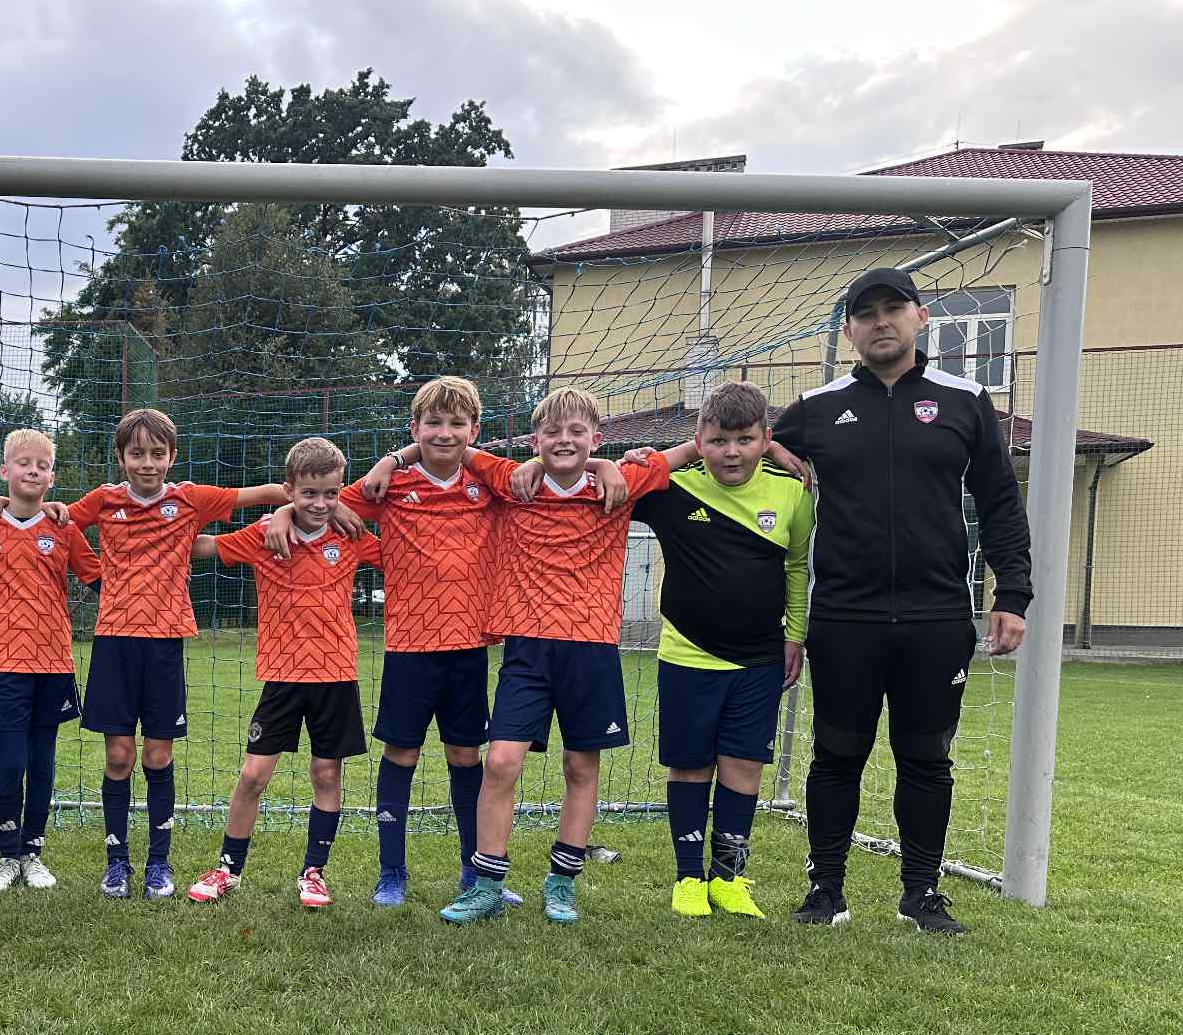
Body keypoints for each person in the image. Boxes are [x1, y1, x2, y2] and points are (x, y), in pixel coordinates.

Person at [653, 267, 1032, 934]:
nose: (881, 322)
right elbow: (735, 445)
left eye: (894, 309)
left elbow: (1000, 499)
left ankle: (921, 894)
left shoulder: (966, 399)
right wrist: (760, 450)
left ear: (920, 318)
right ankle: (825, 890)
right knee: (836, 755)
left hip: (937, 616)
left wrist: (1014, 592)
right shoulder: (818, 406)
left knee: (926, 758)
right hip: (845, 617)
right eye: (866, 314)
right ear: (850, 331)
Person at [0, 408, 291, 901]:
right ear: (121, 458)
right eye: (137, 453)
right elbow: (45, 516)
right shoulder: (103, 500)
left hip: (164, 645)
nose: (147, 463)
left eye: (157, 454)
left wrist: (287, 510)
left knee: (157, 755)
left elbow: (268, 492)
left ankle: (158, 864)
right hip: (114, 644)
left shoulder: (190, 498)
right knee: (119, 757)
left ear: (172, 457)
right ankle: (116, 863)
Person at [334, 376, 627, 909]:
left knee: (467, 754)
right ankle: (391, 872)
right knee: (401, 752)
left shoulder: (493, 483)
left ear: (474, 432)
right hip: (408, 644)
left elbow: (546, 470)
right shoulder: (390, 484)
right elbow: (326, 503)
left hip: (472, 644)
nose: (444, 434)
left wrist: (605, 465)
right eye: (433, 423)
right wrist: (389, 463)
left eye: (456, 424)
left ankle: (476, 874)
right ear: (415, 428)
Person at [416, 385, 667, 926]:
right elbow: (451, 445)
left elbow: (692, 449)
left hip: (591, 650)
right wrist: (393, 459)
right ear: (535, 441)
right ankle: (487, 884)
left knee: (580, 765)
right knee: (500, 762)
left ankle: (562, 883)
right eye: (552, 432)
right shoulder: (514, 482)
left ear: (596, 438)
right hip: (527, 650)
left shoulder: (618, 484)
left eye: (577, 432)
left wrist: (607, 465)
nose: (564, 440)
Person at [626, 382, 812, 919]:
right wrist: (683, 452)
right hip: (688, 657)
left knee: (743, 766)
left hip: (759, 660)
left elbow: (796, 568)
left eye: (745, 440)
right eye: (717, 441)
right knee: (690, 767)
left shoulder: (792, 493)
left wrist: (795, 635)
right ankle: (688, 879)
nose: (732, 452)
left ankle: (729, 879)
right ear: (698, 441)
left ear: (765, 439)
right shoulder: (673, 489)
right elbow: (617, 481)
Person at [184, 437, 382, 908]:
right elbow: (202, 546)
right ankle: (227, 869)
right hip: (283, 675)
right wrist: (159, 528)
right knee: (253, 775)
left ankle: (314, 873)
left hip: (336, 674)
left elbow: (404, 556)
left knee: (326, 774)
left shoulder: (350, 535)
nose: (320, 503)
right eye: (308, 494)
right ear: (289, 490)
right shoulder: (265, 535)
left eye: (330, 494)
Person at [0, 427, 101, 892]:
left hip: (54, 663)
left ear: (52, 478)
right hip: (5, 664)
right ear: (5, 470)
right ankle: (6, 855)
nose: (33, 471)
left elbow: (100, 579)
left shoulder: (64, 527)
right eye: (24, 463)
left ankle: (32, 853)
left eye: (42, 466)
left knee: (42, 765)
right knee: (10, 766)